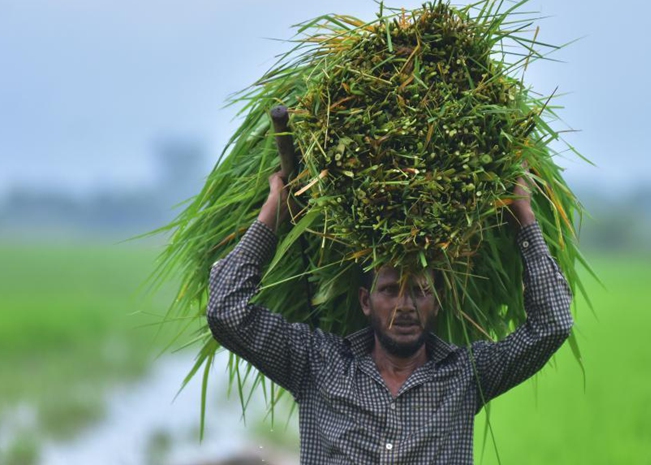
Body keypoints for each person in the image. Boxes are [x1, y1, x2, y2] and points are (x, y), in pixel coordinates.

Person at [207, 170, 574, 464]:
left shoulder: (466, 375)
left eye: (419, 290)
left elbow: (553, 323)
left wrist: (523, 218)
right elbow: (226, 310)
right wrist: (275, 210)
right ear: (366, 301)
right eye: (389, 290)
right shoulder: (317, 363)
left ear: (438, 301)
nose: (404, 306)